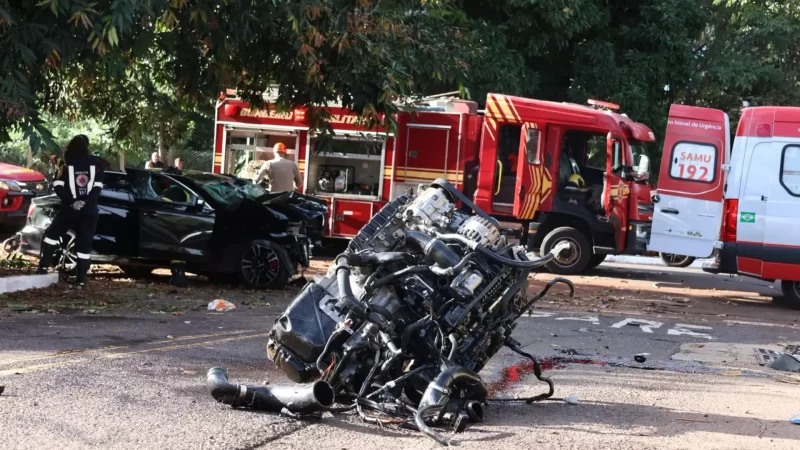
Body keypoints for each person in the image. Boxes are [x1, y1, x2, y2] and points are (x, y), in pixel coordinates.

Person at [36, 135, 105, 289]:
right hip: (89, 211)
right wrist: (86, 202)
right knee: (84, 244)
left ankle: (42, 269)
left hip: (69, 209)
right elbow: (98, 188)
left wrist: (73, 201)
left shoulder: (67, 165)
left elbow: (58, 186)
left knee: (51, 235)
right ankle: (80, 281)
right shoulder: (98, 164)